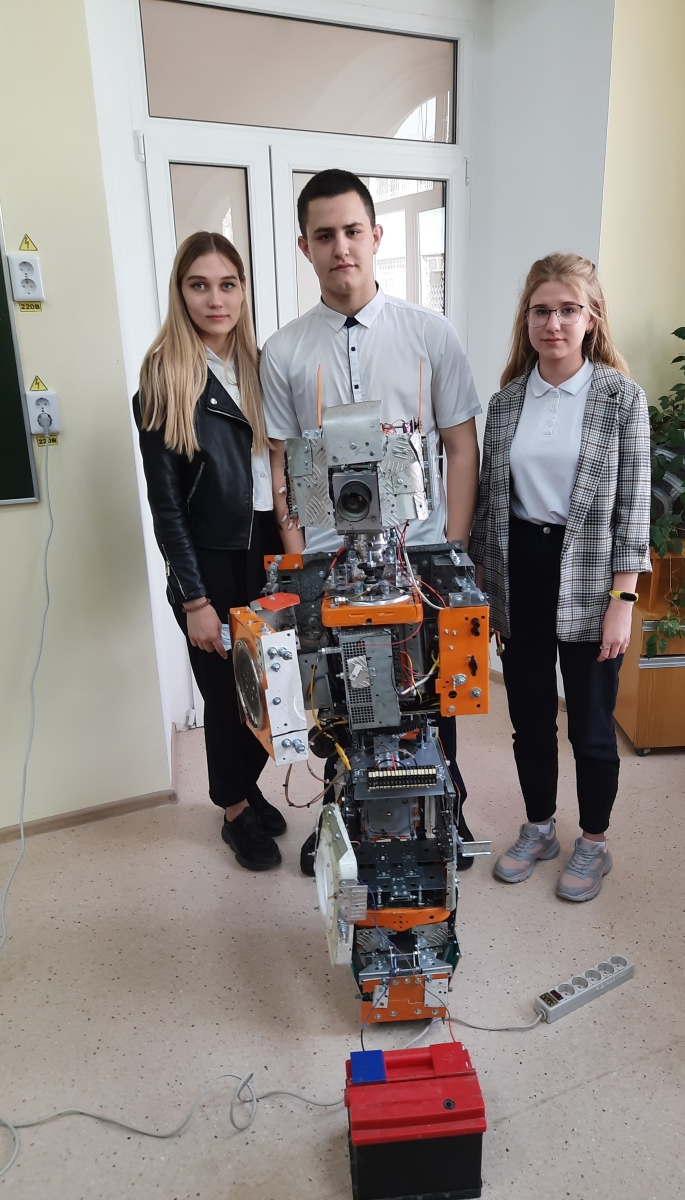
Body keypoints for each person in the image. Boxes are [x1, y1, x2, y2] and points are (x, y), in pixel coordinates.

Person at [259, 169, 482, 875]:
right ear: (305, 246)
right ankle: (342, 818)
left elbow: (461, 446)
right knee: (344, 696)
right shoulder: (284, 352)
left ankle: (446, 807)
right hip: (331, 562)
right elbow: (282, 463)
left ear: (377, 235)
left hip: (417, 556)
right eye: (324, 235)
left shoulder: (430, 335)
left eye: (353, 231)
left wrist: (450, 550)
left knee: (429, 691)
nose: (341, 248)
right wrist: (299, 562)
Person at [469, 253, 651, 901]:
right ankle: (540, 827)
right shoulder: (507, 402)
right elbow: (490, 505)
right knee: (529, 717)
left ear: (592, 318)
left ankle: (593, 842)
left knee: (592, 726)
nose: (554, 323)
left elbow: (634, 507)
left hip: (592, 576)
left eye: (568, 310)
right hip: (520, 571)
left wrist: (623, 599)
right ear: (526, 320)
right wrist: (483, 591)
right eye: (541, 310)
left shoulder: (620, 398)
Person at [134, 231, 288, 872]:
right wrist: (194, 598)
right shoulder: (164, 378)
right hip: (209, 561)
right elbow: (167, 507)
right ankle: (233, 808)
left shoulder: (261, 366)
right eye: (199, 285)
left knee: (271, 684)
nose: (215, 299)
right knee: (226, 693)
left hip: (267, 550)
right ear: (181, 292)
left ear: (243, 291)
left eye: (228, 284)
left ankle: (244, 786)